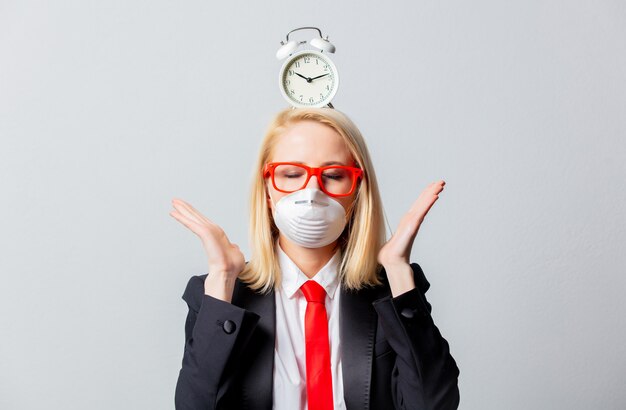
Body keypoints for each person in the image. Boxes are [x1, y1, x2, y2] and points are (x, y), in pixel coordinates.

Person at [170, 107, 460, 410]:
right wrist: (222, 278)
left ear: (357, 191)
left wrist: (399, 272)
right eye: (292, 174)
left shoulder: (392, 296)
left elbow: (434, 405)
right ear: (267, 190)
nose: (311, 193)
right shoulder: (222, 298)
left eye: (334, 175)